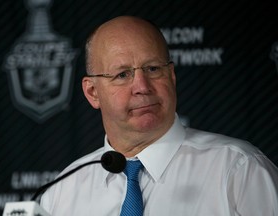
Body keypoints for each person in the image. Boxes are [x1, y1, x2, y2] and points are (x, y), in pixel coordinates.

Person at [40, 16, 278, 215]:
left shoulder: (239, 169)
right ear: (92, 92)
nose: (142, 86)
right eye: (122, 74)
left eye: (153, 69)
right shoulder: (62, 192)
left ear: (172, 76)